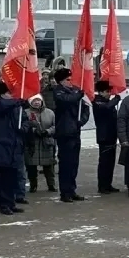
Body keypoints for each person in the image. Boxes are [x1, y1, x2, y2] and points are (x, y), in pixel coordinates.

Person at [0, 80, 26, 216]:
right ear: (3, 94)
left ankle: (11, 202)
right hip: (2, 146)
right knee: (3, 178)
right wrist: (19, 101)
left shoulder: (12, 107)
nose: (11, 95)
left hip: (13, 145)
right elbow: (4, 106)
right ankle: (4, 204)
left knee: (12, 177)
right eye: (9, 93)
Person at [52, 68, 90, 202]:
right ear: (61, 81)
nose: (70, 82)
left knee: (74, 164)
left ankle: (72, 190)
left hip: (75, 131)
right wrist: (78, 94)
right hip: (65, 132)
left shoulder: (75, 90)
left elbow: (85, 107)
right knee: (65, 164)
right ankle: (65, 192)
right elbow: (66, 100)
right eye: (68, 80)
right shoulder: (58, 91)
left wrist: (82, 120)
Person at [23, 95, 58, 195]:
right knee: (31, 167)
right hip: (32, 143)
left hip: (46, 142)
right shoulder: (26, 113)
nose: (37, 102)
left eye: (38, 100)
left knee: (49, 166)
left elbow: (55, 126)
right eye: (34, 100)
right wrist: (33, 131)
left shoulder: (50, 112)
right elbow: (24, 125)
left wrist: (48, 131)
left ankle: (51, 185)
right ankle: (33, 185)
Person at [92, 80, 121, 194]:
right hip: (104, 136)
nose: (109, 93)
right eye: (107, 91)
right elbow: (107, 108)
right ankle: (102, 185)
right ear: (101, 92)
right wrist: (116, 98)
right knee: (104, 162)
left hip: (111, 135)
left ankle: (108, 184)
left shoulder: (106, 102)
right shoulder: (98, 102)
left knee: (110, 162)